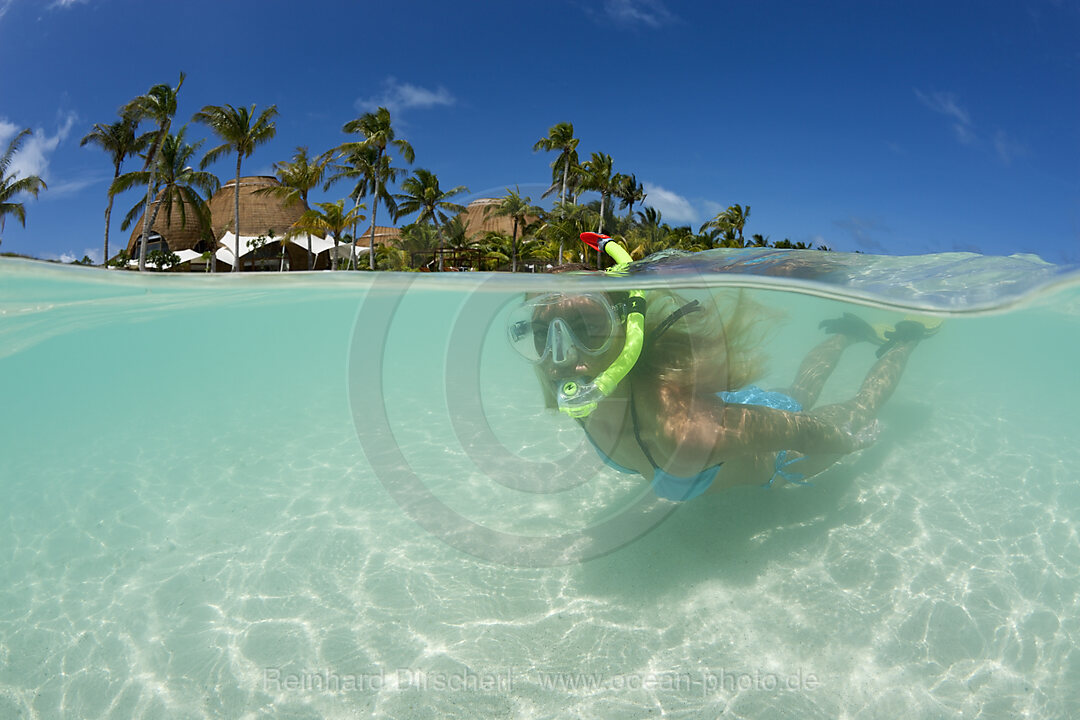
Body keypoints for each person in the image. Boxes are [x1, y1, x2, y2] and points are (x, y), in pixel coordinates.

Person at [507, 233, 938, 501]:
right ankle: (845, 332)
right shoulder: (577, 398)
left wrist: (847, 444)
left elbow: (802, 431)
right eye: (545, 333)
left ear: (624, 331)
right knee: (797, 392)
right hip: (747, 411)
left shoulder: (681, 430)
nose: (560, 356)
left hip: (783, 458)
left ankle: (906, 339)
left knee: (855, 407)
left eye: (588, 327)